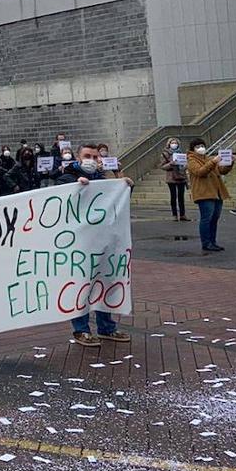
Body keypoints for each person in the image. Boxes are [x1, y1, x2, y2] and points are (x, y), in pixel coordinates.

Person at [58, 145, 133, 346]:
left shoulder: (102, 179)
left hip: (102, 241)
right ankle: (81, 329)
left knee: (105, 282)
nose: (91, 159)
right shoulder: (67, 177)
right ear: (78, 158)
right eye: (87, 156)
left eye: (94, 156)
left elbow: (117, 201)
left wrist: (121, 181)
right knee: (81, 285)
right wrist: (75, 186)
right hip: (80, 244)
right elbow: (61, 199)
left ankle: (106, 327)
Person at [187, 137, 232, 253]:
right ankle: (206, 243)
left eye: (202, 146)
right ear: (193, 149)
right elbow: (200, 172)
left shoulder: (208, 158)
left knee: (214, 218)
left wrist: (229, 163)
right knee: (206, 218)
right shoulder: (191, 160)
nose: (201, 148)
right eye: (197, 147)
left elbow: (221, 170)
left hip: (216, 192)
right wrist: (213, 162)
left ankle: (213, 241)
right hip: (204, 193)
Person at [160, 138, 190, 221]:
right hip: (171, 177)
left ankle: (182, 214)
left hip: (181, 176)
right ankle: (174, 214)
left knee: (181, 197)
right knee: (173, 196)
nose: (174, 144)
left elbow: (184, 165)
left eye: (176, 143)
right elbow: (162, 166)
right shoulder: (165, 154)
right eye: (172, 143)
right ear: (169, 144)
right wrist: (171, 164)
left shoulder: (181, 153)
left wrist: (185, 165)